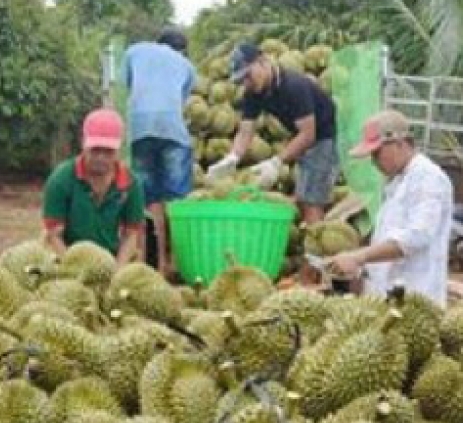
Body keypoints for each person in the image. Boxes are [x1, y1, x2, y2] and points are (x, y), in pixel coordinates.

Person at [327, 110, 453, 307]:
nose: (374, 162)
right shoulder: (398, 182)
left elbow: (416, 236)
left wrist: (360, 256)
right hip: (389, 299)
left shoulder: (428, 178)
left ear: (400, 144)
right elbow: (388, 238)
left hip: (416, 303)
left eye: (377, 153)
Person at [212, 42, 340, 227]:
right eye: (241, 80)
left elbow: (308, 134)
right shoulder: (253, 92)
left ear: (263, 62)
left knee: (313, 198)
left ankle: (317, 249)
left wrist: (276, 162)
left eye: (248, 75)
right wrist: (233, 156)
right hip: (301, 136)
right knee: (304, 195)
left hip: (325, 137)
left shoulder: (293, 86)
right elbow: (246, 130)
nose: (246, 83)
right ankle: (312, 237)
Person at [123, 26, 196, 274]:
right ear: (182, 50)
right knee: (176, 200)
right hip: (172, 130)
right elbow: (179, 101)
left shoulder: (134, 51)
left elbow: (127, 88)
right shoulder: (187, 66)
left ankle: (152, 263)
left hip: (139, 128)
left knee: (148, 199)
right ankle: (177, 264)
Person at [41, 108, 146, 263]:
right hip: (65, 257)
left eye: (108, 151)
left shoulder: (130, 183)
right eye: (95, 150)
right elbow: (54, 235)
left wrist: (118, 270)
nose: (101, 157)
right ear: (83, 143)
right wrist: (72, 269)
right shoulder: (61, 180)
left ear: (118, 149)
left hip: (111, 258)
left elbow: (132, 234)